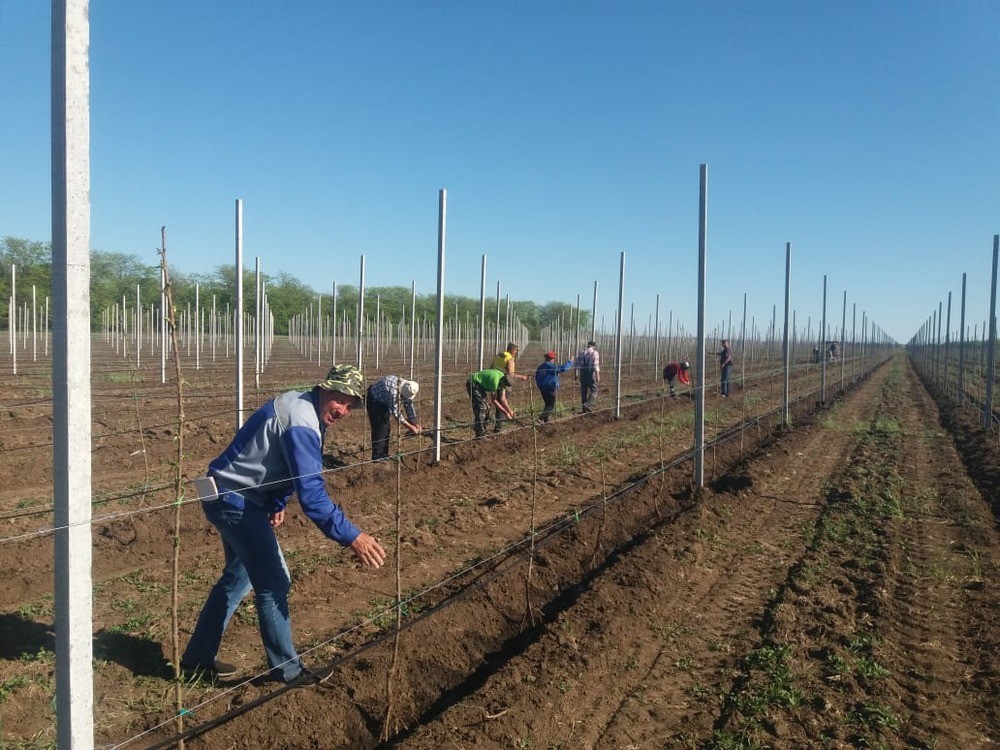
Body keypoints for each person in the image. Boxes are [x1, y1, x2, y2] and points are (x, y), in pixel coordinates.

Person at [181, 365, 386, 685]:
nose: (343, 410)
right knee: (275, 582)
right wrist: (352, 536)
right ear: (325, 389)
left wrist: (275, 502)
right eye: (340, 400)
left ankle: (196, 661)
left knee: (238, 579)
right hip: (234, 501)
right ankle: (287, 671)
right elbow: (312, 494)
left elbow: (283, 464)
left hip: (226, 493)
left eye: (350, 405)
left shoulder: (304, 406)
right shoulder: (303, 420)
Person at [366, 375, 421, 461]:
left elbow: (409, 406)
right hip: (374, 400)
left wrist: (415, 423)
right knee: (380, 428)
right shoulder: (393, 392)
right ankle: (377, 456)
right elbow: (397, 414)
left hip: (384, 401)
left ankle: (384, 454)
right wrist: (411, 427)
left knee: (386, 428)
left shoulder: (406, 387)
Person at [491, 342, 528, 432]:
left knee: (498, 402)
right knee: (502, 401)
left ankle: (497, 424)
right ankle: (499, 427)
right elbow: (510, 374)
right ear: (512, 349)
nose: (516, 352)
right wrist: (522, 376)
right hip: (504, 382)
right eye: (516, 350)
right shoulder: (510, 359)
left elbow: (491, 367)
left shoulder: (499, 355)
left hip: (494, 380)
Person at [466, 367, 515, 438]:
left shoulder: (503, 379)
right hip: (473, 383)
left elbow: (503, 399)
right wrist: (505, 413)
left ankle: (481, 430)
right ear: (503, 382)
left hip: (480, 386)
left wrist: (510, 411)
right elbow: (494, 400)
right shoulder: (495, 382)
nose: (504, 387)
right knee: (481, 408)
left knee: (487, 408)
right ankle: (480, 435)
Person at [534, 350, 574, 424]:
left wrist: (540, 386)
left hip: (542, 389)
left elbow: (536, 377)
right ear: (552, 359)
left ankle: (545, 421)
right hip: (550, 388)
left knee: (547, 404)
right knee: (551, 405)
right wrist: (570, 361)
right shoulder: (551, 366)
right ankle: (541, 418)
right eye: (554, 359)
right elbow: (562, 369)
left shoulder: (540, 367)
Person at [575, 340, 601, 412]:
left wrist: (576, 374)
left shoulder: (582, 352)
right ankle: (588, 404)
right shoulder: (594, 353)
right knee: (594, 390)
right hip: (590, 373)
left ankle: (584, 409)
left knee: (584, 391)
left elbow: (576, 363)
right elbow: (596, 364)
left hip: (582, 372)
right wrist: (597, 374)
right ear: (594, 347)